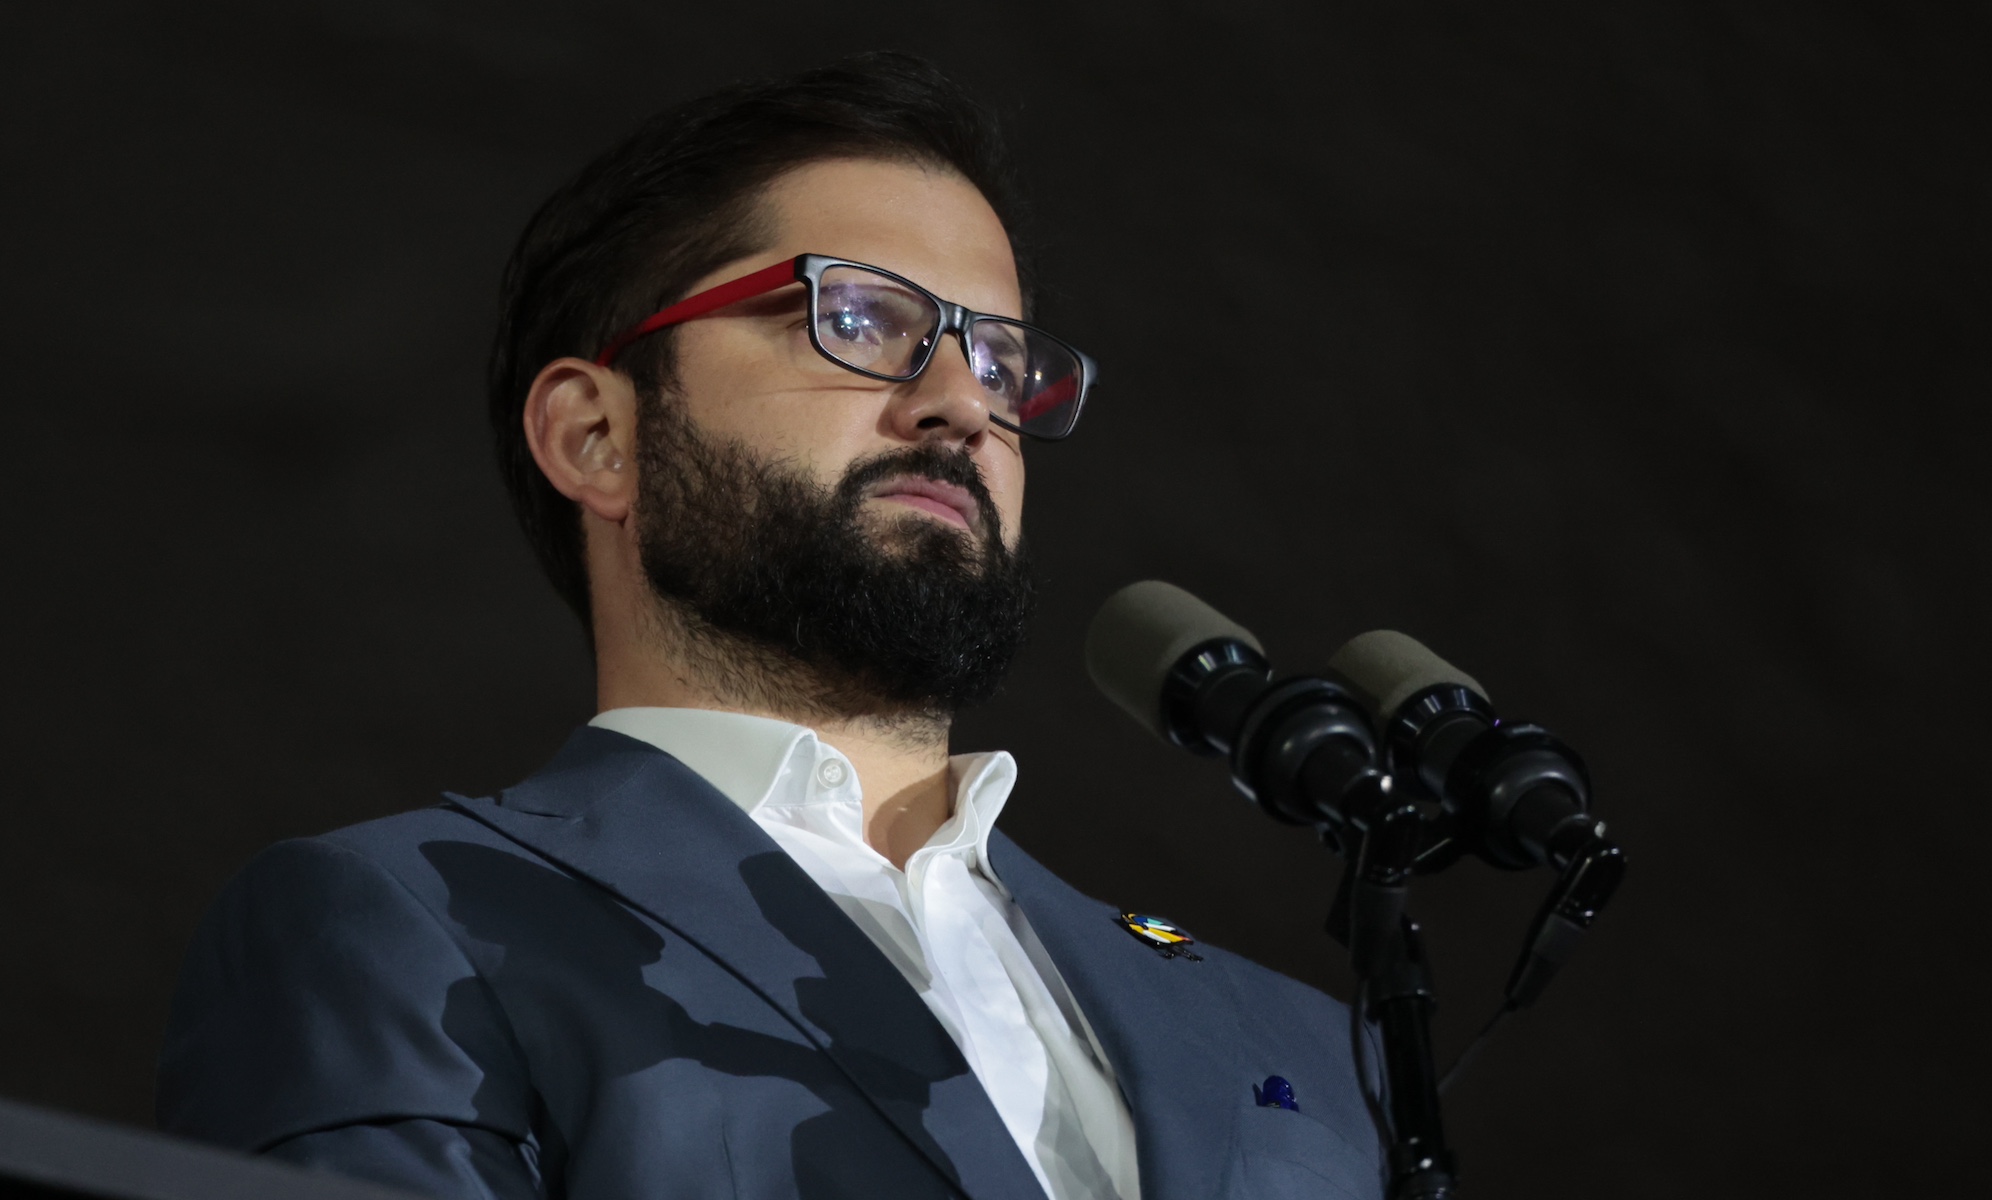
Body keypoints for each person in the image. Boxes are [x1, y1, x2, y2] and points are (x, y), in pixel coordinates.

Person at [156, 53, 1385, 1200]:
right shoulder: (403, 922)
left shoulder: (1306, 1046)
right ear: (597, 435)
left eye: (1003, 364)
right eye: (857, 318)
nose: (961, 402)